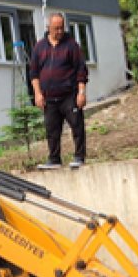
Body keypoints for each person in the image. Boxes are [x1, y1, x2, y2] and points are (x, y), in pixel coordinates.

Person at [29, 12, 88, 169]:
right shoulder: (39, 47)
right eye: (56, 28)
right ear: (49, 27)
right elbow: (34, 73)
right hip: (49, 98)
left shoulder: (71, 45)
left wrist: (81, 93)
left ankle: (79, 157)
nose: (59, 31)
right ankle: (54, 159)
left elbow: (81, 70)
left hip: (69, 95)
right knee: (52, 131)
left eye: (61, 28)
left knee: (77, 126)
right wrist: (38, 93)